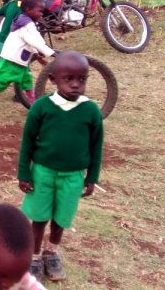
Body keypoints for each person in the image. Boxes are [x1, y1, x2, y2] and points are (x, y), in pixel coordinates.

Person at [17, 50, 103, 282]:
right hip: (42, 173)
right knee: (39, 217)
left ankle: (51, 252)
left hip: (73, 176)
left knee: (61, 218)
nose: (75, 85)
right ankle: (34, 256)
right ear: (53, 80)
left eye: (82, 79)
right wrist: (24, 173)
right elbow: (27, 142)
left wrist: (92, 177)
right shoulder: (42, 107)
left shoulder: (91, 111)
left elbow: (96, 147)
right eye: (69, 79)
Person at [0, 0, 55, 116]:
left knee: (27, 84)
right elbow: (34, 41)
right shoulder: (26, 25)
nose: (41, 14)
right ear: (28, 9)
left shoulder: (25, 21)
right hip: (11, 61)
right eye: (39, 11)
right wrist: (51, 52)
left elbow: (30, 42)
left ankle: (35, 109)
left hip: (19, 61)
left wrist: (37, 55)